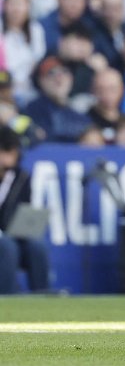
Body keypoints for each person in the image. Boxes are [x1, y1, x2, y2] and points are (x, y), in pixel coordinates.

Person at [0, 125, 50, 294]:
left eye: (12, 153)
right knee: (7, 247)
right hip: (4, 239)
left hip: (11, 233)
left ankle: (41, 294)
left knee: (36, 246)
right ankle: (7, 295)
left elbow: (24, 207)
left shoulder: (21, 177)